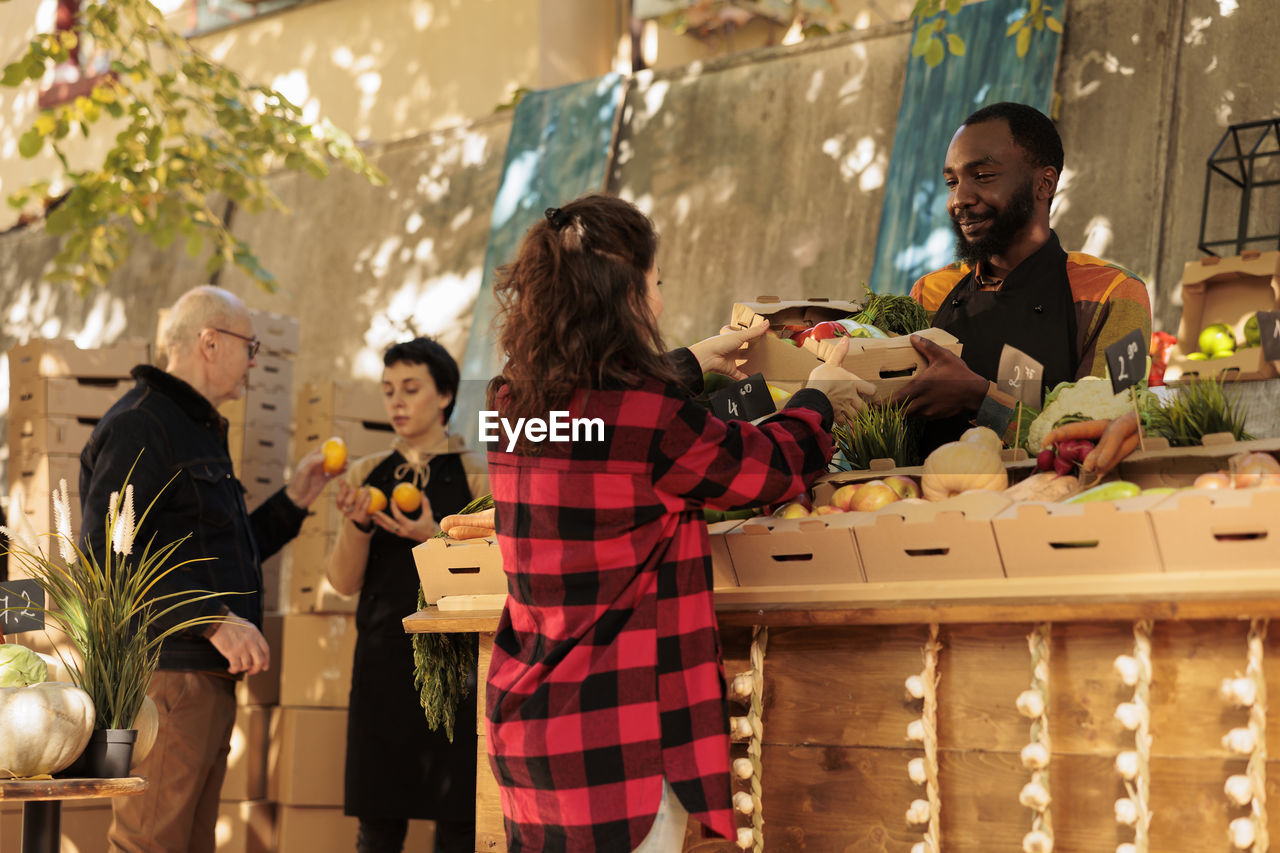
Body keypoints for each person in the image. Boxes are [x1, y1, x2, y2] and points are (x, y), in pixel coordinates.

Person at [482, 193, 874, 852]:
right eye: (654, 285)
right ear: (622, 298)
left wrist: (693, 361)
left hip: (528, 727)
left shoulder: (509, 405)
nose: (660, 304)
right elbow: (763, 467)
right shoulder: (648, 414)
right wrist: (818, 399)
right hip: (615, 742)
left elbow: (600, 422)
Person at [79, 286, 333, 853]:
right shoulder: (141, 424)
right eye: (251, 346)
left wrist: (294, 500)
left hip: (205, 678)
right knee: (148, 843)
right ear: (210, 342)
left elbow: (221, 560)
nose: (254, 361)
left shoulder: (197, 428)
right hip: (168, 674)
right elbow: (107, 554)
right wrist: (214, 620)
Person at [894, 101, 1152, 448]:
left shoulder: (1113, 293)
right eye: (951, 182)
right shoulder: (930, 291)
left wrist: (981, 399)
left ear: (1044, 184)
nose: (959, 199)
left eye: (983, 177)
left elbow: (1102, 439)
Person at [325, 337, 489, 853]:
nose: (396, 401)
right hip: (381, 661)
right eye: (389, 389)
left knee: (460, 820)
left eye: (411, 388)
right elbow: (342, 581)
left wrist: (431, 537)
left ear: (444, 396)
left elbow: (490, 581)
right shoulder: (364, 474)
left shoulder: (475, 473)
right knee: (378, 823)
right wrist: (356, 524)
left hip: (456, 667)